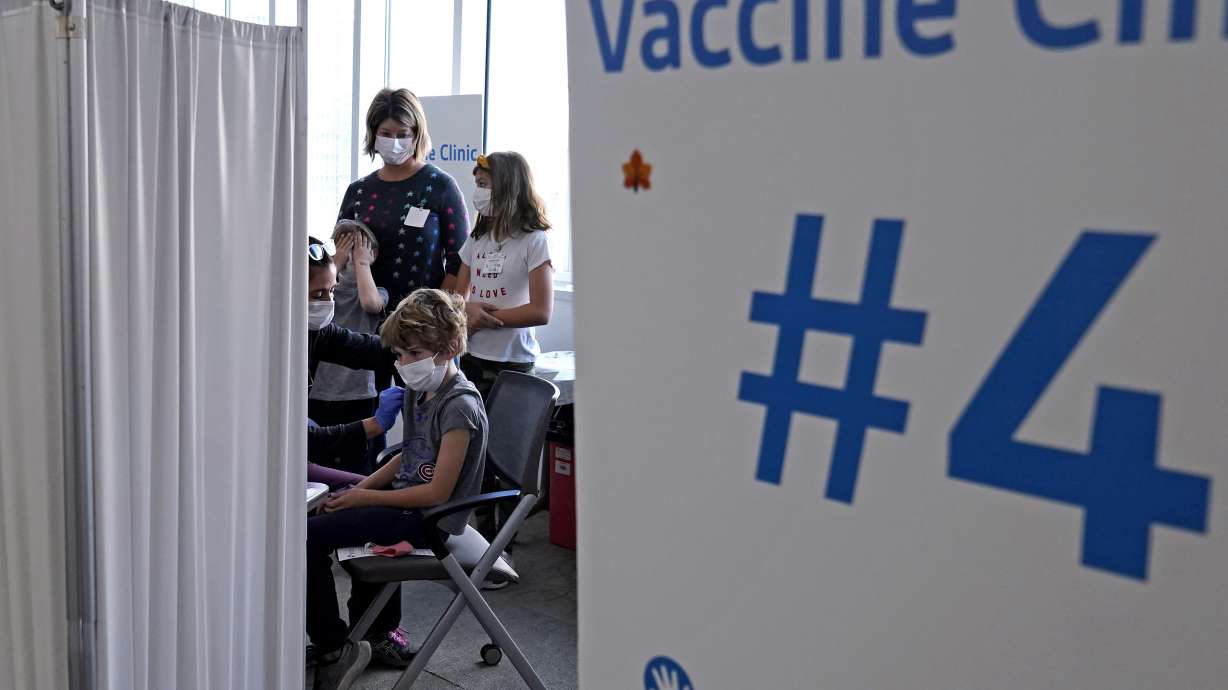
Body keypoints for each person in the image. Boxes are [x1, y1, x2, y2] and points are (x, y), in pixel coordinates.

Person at [307, 289, 489, 690]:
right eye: (400, 354)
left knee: (307, 536)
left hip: (429, 520)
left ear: (449, 348)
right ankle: (367, 633)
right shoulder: (420, 390)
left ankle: (333, 645)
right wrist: (357, 489)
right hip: (408, 505)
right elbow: (408, 455)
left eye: (414, 353)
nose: (404, 363)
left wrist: (364, 497)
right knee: (330, 507)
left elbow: (436, 494)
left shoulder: (459, 407)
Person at [454, 152, 554, 401]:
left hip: (514, 362)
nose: (478, 192)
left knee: (508, 426)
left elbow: (541, 311)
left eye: (483, 184)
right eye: (477, 184)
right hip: (471, 355)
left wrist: (481, 318)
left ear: (508, 187)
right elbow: (457, 297)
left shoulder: (535, 240)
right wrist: (466, 309)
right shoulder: (476, 239)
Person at [306, 236, 401, 488]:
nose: (328, 302)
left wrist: (412, 343)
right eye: (317, 294)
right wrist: (373, 426)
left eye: (332, 291)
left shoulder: (316, 332)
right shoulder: (264, 349)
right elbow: (304, 440)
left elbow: (366, 349)